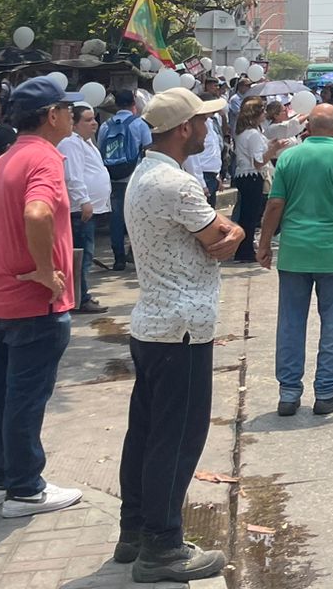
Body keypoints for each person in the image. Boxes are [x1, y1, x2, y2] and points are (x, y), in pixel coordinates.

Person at [116, 88, 243, 582]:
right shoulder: (175, 184)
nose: (209, 128)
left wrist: (225, 232)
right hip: (181, 328)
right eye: (202, 121)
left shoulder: (148, 175)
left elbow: (219, 234)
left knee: (146, 434)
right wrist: (230, 233)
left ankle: (135, 532)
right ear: (184, 128)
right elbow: (223, 240)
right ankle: (163, 547)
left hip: (156, 323)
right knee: (177, 438)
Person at [0, 75, 86, 518]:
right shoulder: (43, 158)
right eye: (67, 110)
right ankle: (25, 489)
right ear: (51, 116)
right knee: (25, 396)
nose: (72, 116)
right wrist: (44, 269)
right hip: (32, 300)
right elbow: (37, 211)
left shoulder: (5, 158)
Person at [256, 104, 333, 417]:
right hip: (330, 256)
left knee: (291, 322)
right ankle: (325, 392)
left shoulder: (291, 157)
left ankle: (289, 394)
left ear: (307, 130)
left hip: (294, 254)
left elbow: (275, 204)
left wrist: (264, 244)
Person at [60, 104, 111, 315]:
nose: (94, 123)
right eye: (88, 120)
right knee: (81, 256)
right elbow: (73, 176)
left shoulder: (86, 142)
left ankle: (80, 295)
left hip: (90, 208)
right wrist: (83, 201)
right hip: (78, 210)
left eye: (94, 119)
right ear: (74, 123)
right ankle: (79, 299)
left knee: (85, 254)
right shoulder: (70, 144)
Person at [98, 89, 152, 273]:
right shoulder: (139, 124)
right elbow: (149, 148)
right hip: (135, 176)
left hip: (113, 176)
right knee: (137, 217)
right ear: (133, 105)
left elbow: (101, 150)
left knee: (116, 219)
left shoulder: (105, 126)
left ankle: (118, 259)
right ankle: (135, 255)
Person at [230, 97, 269, 263]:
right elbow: (258, 161)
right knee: (250, 216)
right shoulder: (252, 134)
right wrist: (274, 149)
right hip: (252, 175)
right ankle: (245, 250)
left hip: (243, 175)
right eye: (263, 111)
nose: (265, 114)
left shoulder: (243, 132)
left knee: (247, 214)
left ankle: (243, 248)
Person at [183, 86, 225, 207]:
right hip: (202, 176)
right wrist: (201, 183)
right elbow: (192, 157)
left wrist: (217, 176)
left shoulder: (211, 122)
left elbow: (214, 151)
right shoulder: (195, 126)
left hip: (211, 175)